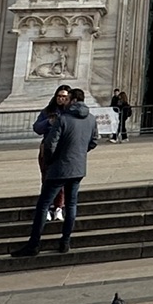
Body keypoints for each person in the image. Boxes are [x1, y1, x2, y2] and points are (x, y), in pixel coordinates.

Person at [12, 84, 96, 257]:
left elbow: (50, 144)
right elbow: (94, 140)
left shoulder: (63, 118)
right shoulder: (91, 118)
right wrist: (79, 153)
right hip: (78, 168)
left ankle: (34, 244)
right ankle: (65, 242)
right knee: (71, 205)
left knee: (43, 205)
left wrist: (50, 160)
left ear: (73, 100)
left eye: (68, 98)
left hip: (59, 167)